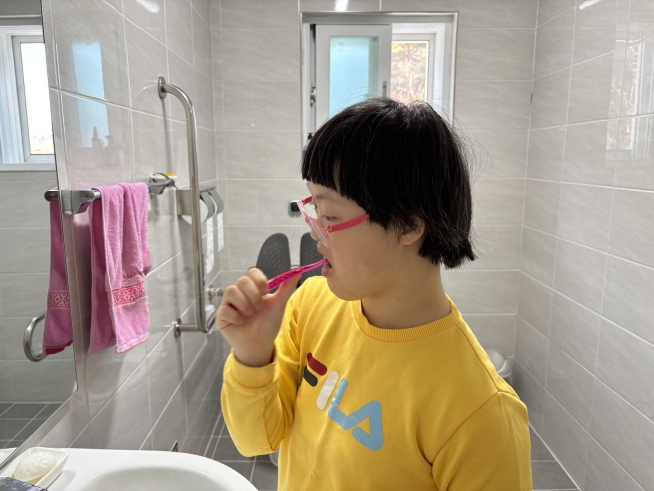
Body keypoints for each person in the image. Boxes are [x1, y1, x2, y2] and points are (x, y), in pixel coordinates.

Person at [217, 98, 532, 490]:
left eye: (330, 216)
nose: (315, 233)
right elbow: (255, 441)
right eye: (314, 210)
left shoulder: (481, 412)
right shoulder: (310, 304)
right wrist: (252, 355)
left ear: (408, 224)